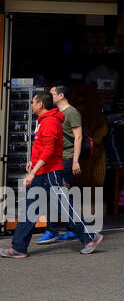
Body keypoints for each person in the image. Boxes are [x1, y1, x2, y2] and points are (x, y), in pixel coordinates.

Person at [1, 90, 103, 258]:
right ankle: (18, 247)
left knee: (64, 207)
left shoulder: (50, 122)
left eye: (33, 102)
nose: (31, 105)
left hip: (49, 172)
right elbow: (42, 146)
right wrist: (33, 162)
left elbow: (49, 150)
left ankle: (90, 237)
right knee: (29, 209)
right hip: (42, 171)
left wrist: (32, 172)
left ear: (41, 104)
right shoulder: (43, 120)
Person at [38, 84, 84, 244]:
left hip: (67, 158)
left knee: (59, 195)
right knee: (57, 195)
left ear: (61, 95)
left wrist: (75, 160)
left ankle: (57, 230)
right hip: (57, 159)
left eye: (52, 94)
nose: (49, 97)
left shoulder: (72, 112)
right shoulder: (56, 113)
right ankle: (70, 229)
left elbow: (78, 137)